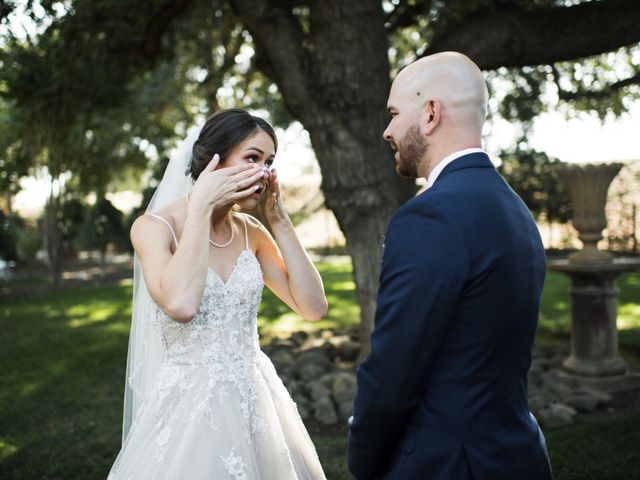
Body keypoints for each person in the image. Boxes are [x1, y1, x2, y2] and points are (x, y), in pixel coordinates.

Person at [347, 52, 553, 479]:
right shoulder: (514, 209)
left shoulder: (431, 216)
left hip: (446, 464)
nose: (386, 130)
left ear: (430, 114)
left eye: (393, 113)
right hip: (515, 457)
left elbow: (392, 372)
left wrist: (363, 461)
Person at [108, 108, 328, 479]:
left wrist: (279, 220)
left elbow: (313, 307)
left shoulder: (251, 231)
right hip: (190, 410)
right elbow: (180, 304)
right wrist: (202, 209)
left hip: (256, 400)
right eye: (253, 158)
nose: (264, 173)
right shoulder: (153, 229)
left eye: (270, 162)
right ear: (213, 160)